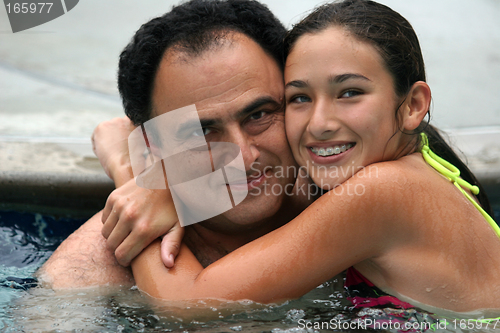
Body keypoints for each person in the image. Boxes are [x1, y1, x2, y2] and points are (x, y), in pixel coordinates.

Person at [126, 0, 500, 315]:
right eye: (300, 98)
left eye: (350, 92)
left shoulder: (382, 191)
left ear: (413, 105)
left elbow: (187, 304)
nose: (319, 124)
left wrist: (132, 176)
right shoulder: (425, 161)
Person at [36, 0, 315, 289]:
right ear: (152, 145)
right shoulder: (84, 277)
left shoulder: (345, 189)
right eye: (201, 132)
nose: (243, 157)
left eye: (259, 115)